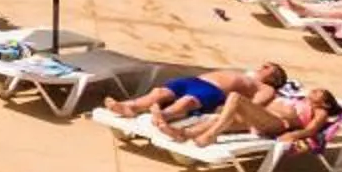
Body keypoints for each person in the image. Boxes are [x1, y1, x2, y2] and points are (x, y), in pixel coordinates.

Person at [175, 82, 342, 149]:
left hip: (277, 124)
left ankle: (211, 135)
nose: (314, 90)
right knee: (222, 118)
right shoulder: (300, 99)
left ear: (325, 103)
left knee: (235, 97)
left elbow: (311, 130)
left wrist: (293, 135)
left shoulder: (321, 111)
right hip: (261, 120)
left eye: (319, 92)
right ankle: (183, 134)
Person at [106, 63, 287, 123]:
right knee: (159, 92)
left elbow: (253, 106)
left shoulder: (267, 88)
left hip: (214, 91)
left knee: (188, 101)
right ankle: (130, 107)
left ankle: (163, 115)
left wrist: (224, 111)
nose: (264, 66)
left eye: (269, 67)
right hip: (195, 81)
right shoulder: (247, 74)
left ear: (274, 78)